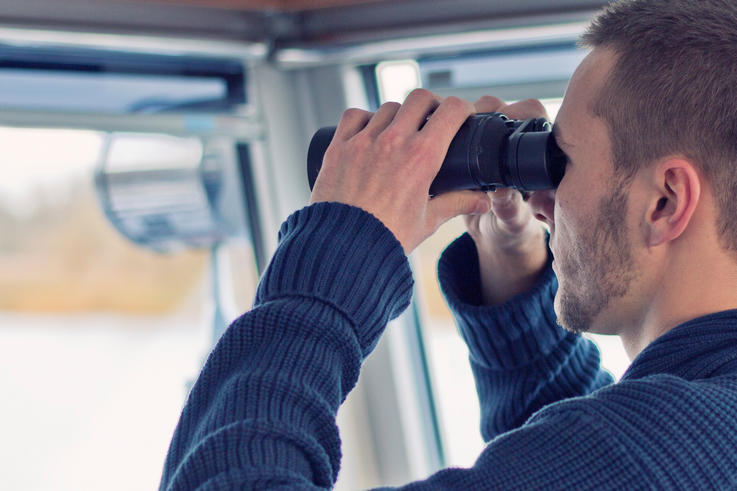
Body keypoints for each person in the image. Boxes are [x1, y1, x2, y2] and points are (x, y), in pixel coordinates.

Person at [159, 0, 737, 488]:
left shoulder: (651, 446)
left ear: (664, 200)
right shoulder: (695, 431)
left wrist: (337, 254)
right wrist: (514, 278)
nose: (541, 201)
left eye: (563, 161)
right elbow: (583, 458)